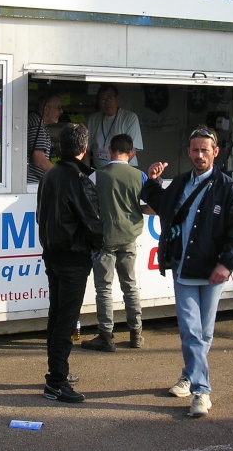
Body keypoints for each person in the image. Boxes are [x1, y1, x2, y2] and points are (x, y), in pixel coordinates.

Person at [142, 125, 233, 418]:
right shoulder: (179, 184)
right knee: (191, 330)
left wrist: (227, 264)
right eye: (195, 150)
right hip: (184, 269)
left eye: (205, 150)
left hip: (213, 271)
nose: (200, 155)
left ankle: (188, 376)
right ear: (188, 152)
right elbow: (161, 205)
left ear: (216, 152)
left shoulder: (229, 189)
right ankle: (201, 392)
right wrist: (152, 181)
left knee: (204, 332)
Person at [36, 123, 103, 403]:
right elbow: (94, 225)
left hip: (53, 255)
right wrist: (95, 247)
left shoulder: (49, 177)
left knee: (57, 315)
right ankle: (56, 381)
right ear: (85, 149)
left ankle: (57, 373)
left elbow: (40, 217)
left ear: (61, 147)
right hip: (73, 258)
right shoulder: (79, 181)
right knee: (66, 319)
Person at [81, 133, 153, 353]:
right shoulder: (139, 176)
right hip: (129, 237)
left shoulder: (96, 176)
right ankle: (136, 333)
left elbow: (86, 207)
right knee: (130, 285)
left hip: (104, 238)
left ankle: (106, 335)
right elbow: (150, 207)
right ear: (131, 153)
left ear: (110, 150)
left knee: (104, 288)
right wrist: (135, 210)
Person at [86, 84, 143, 169]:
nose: (107, 102)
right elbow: (86, 150)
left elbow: (132, 151)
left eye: (110, 98)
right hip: (98, 170)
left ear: (117, 100)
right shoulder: (92, 119)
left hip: (124, 169)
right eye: (103, 99)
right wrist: (87, 172)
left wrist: (115, 171)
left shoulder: (130, 118)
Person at [27, 92, 63, 183]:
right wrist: (61, 174)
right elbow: (39, 160)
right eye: (58, 108)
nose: (61, 111)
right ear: (46, 109)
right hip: (31, 183)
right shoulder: (37, 125)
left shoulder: (36, 121)